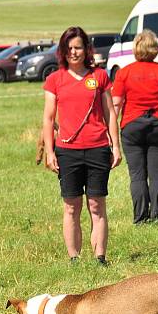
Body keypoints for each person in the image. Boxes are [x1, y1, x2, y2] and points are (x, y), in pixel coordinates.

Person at [42, 26, 121, 265]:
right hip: (67, 151)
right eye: (69, 48)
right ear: (62, 51)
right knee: (71, 206)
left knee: (97, 205)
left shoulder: (99, 77)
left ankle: (100, 258)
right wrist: (49, 152)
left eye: (78, 47)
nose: (73, 52)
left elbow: (110, 113)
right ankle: (74, 258)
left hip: (98, 148)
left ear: (86, 49)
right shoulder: (55, 79)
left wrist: (116, 146)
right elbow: (48, 118)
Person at [111, 29, 158, 224]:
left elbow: (116, 104)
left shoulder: (124, 73)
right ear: (155, 49)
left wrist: (110, 131)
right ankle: (157, 215)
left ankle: (140, 217)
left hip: (132, 126)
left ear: (135, 49)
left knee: (137, 175)